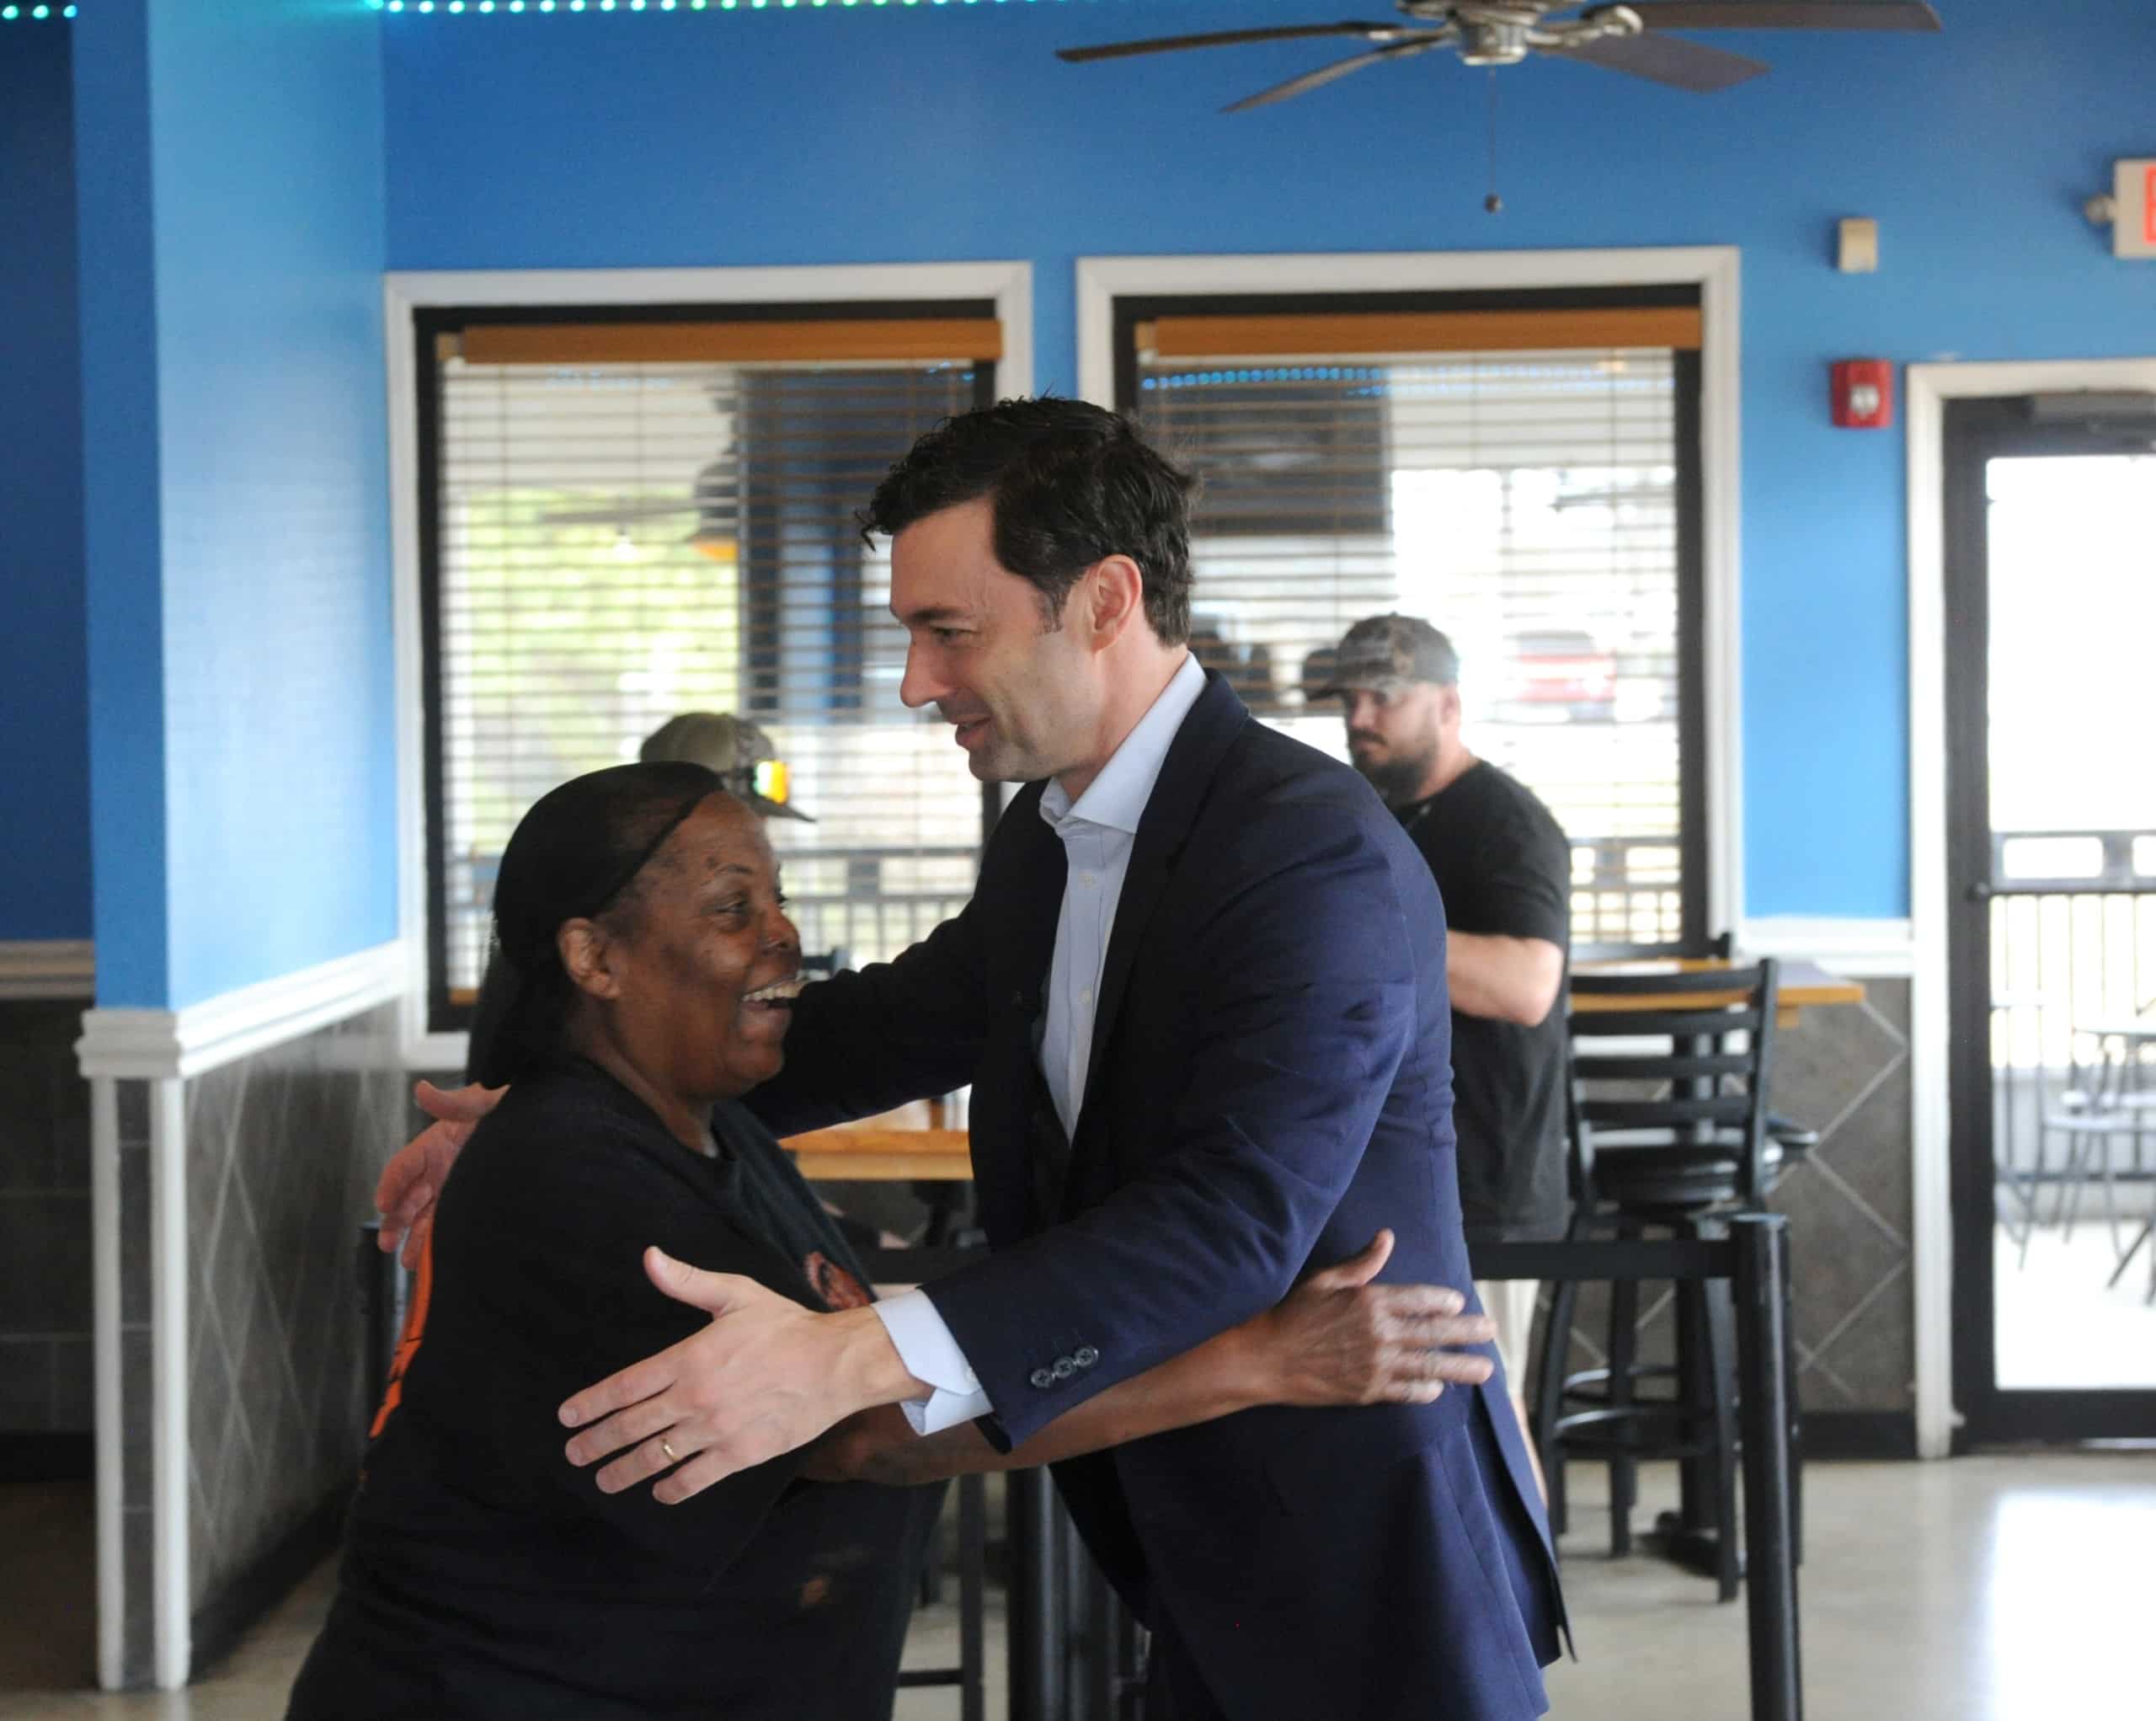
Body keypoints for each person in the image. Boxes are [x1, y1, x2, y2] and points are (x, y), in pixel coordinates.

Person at [382, 400, 1565, 1720]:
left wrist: (849, 1354)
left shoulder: (1305, 849)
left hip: (1356, 1554)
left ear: (1105, 601)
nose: (915, 680)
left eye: (951, 631)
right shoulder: (1051, 831)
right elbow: (882, 1025)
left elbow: (1231, 1223)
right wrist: (578, 1096)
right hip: (1188, 1536)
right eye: (912, 631)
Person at [298, 762, 1497, 1720]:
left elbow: (867, 1064)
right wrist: (1261, 1360)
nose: (785, 936)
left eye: (775, 896)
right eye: (733, 907)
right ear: (592, 957)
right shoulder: (570, 1170)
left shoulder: (703, 1119)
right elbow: (866, 1429)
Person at [1323, 613, 1574, 1464]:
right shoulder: (1381, 821)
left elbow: (1525, 985)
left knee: (1489, 1428)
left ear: (1449, 702)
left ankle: (1523, 1604)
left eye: (1383, 695)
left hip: (1487, 1179)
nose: (1360, 715)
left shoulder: (1506, 823)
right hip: (1395, 1167)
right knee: (1420, 1439)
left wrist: (1365, 928)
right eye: (1349, 697)